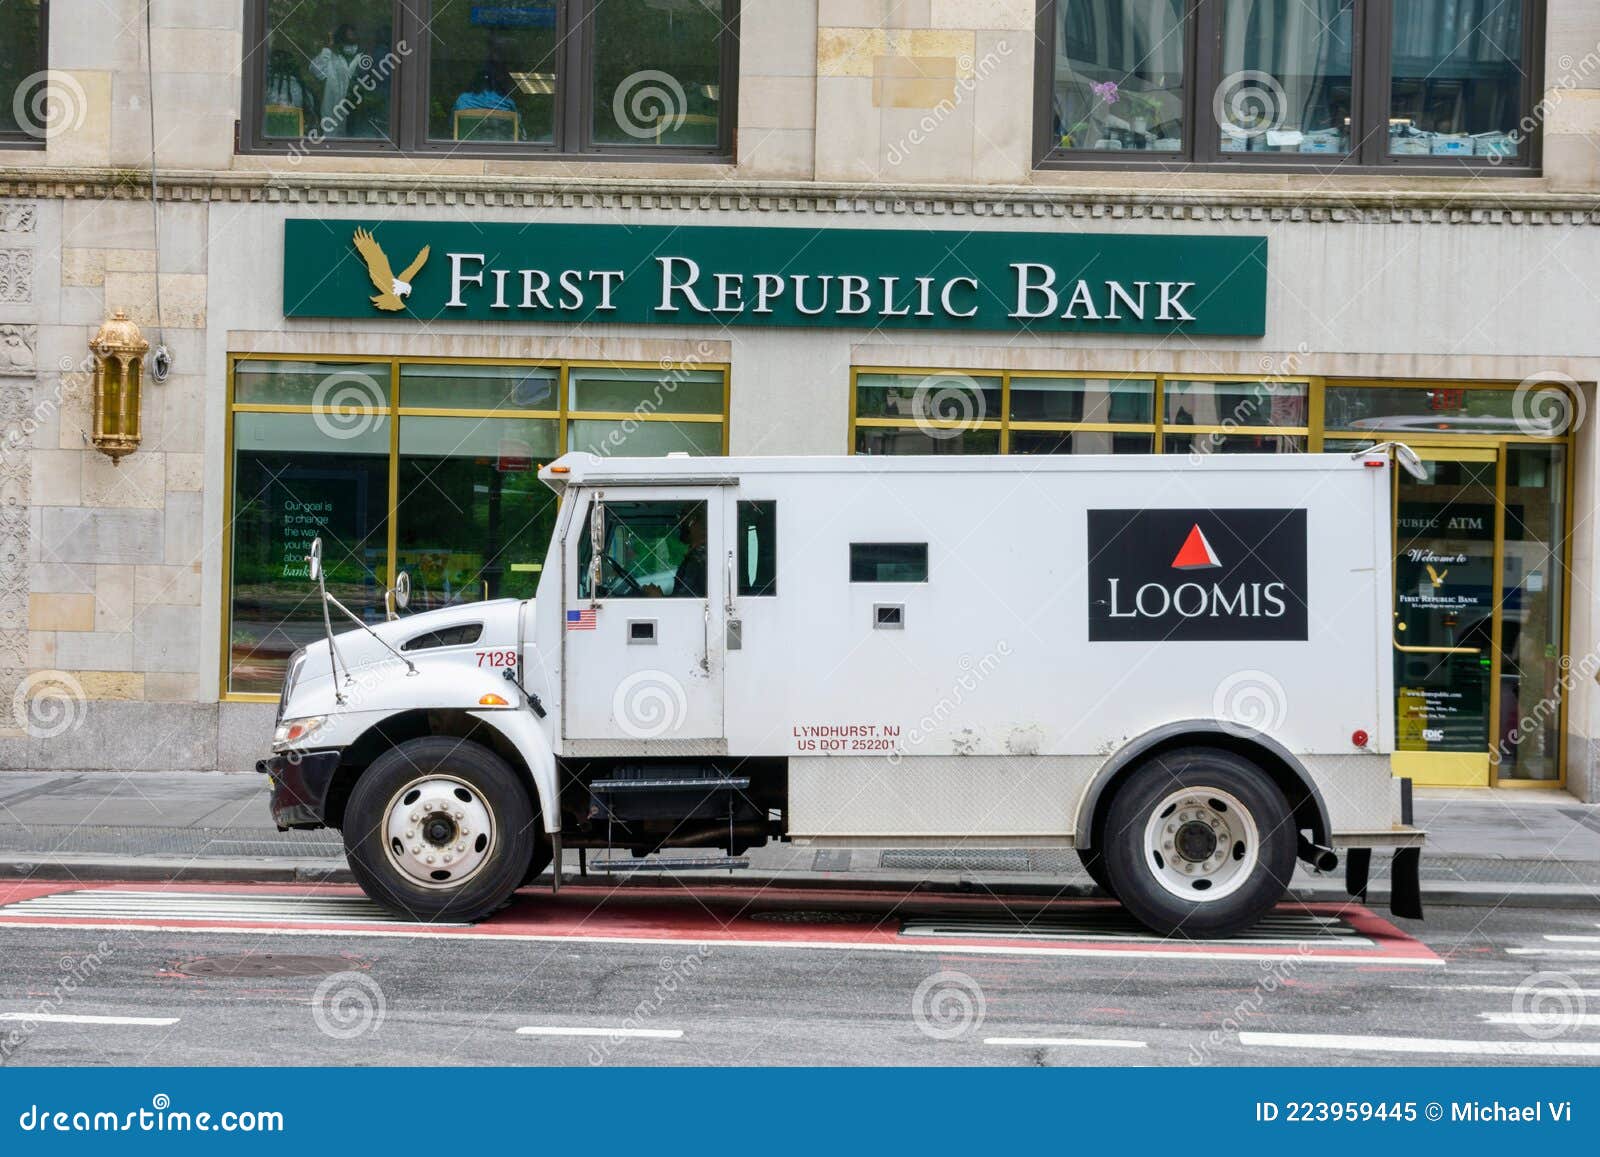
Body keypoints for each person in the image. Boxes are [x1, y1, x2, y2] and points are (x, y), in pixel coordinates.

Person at [308, 22, 363, 136]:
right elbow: (315, 70)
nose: (352, 38)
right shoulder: (332, 58)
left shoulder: (362, 57)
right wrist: (328, 47)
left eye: (354, 35)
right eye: (348, 35)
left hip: (357, 116)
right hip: (332, 114)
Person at [642, 509, 707, 598]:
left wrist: (659, 598)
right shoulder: (696, 557)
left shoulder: (699, 559)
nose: (681, 521)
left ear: (699, 525)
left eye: (687, 518)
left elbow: (685, 603)